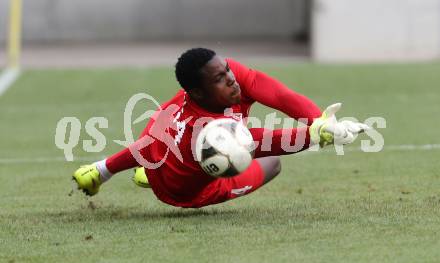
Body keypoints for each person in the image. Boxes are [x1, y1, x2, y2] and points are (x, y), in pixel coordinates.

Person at [72, 48, 368, 208]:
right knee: (272, 164)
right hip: (182, 194)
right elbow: (267, 142)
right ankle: (157, 172)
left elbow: (278, 94)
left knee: (159, 133)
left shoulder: (222, 81)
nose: (231, 78)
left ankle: (152, 170)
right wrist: (317, 135)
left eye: (227, 69)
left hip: (160, 151)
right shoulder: (205, 130)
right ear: (198, 93)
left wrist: (320, 120)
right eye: (219, 78)